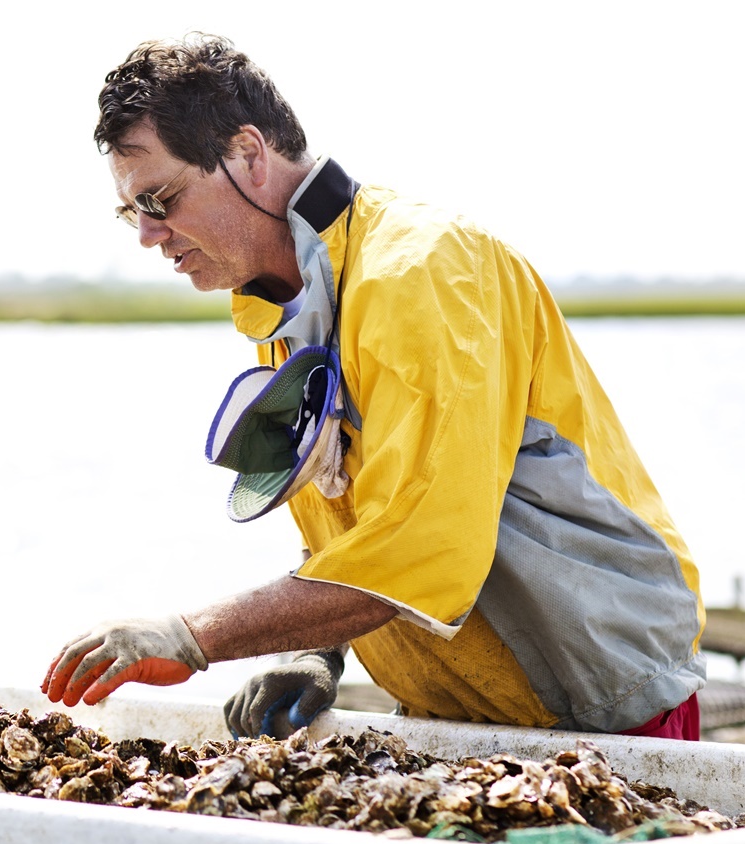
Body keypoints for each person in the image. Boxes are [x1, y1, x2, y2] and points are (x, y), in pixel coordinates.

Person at [41, 35, 705, 743]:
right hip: (463, 712)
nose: (148, 234)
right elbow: (360, 513)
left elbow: (420, 547)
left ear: (247, 154)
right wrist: (316, 650)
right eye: (131, 212)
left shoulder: (421, 271)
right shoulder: (283, 306)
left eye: (160, 198)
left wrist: (189, 636)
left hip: (607, 701)